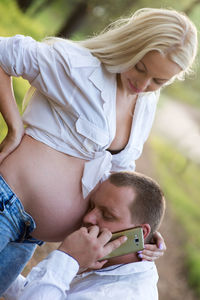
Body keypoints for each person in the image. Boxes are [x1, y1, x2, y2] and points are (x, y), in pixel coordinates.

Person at [0, 7, 197, 294]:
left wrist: (141, 234)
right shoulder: (79, 66)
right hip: (5, 207)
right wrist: (14, 126)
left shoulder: (145, 104)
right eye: (141, 67)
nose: (143, 85)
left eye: (158, 81)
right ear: (131, 44)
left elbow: (117, 177)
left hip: (30, 239)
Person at [3, 171, 166, 300]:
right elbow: (32, 292)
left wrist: (68, 259)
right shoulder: (109, 261)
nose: (88, 218)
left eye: (107, 215)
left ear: (140, 233)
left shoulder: (119, 295)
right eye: (92, 206)